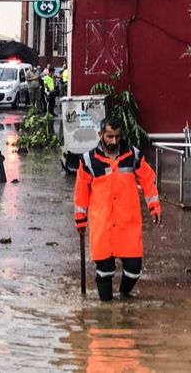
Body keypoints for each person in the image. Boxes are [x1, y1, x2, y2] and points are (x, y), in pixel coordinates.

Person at [74, 117, 162, 301]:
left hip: (127, 224)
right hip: (103, 226)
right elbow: (81, 193)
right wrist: (80, 219)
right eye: (110, 136)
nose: (114, 141)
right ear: (101, 135)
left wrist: (154, 206)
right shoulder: (89, 161)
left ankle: (123, 299)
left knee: (133, 270)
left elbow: (147, 180)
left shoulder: (133, 156)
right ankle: (105, 316)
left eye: (117, 136)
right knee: (104, 273)